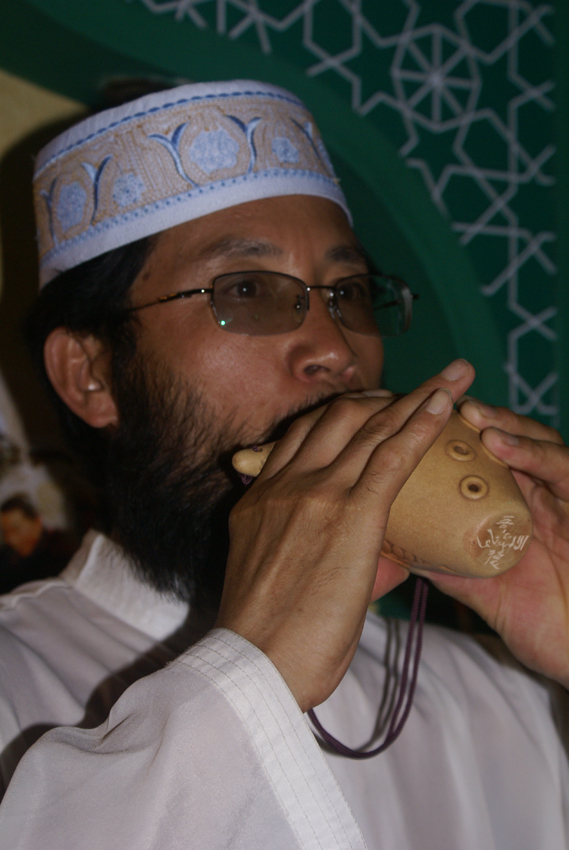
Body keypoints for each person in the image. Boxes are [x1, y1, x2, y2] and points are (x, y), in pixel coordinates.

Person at [0, 80, 567, 849]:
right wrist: (255, 674)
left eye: (348, 293)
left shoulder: (500, 697)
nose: (334, 350)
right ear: (91, 374)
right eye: (245, 290)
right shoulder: (15, 686)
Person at [0, 494, 75, 594]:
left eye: (16, 530)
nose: (11, 539)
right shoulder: (6, 557)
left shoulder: (62, 550)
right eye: (5, 532)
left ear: (37, 522)